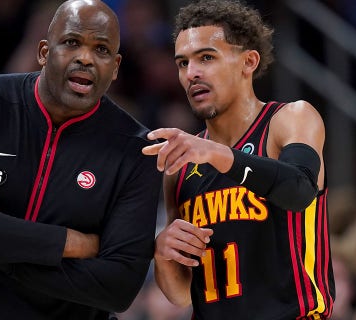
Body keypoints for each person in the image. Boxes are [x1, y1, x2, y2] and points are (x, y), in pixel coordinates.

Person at [0, 0, 162, 319]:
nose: (85, 58)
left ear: (115, 67)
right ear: (44, 52)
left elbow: (117, 287)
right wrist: (67, 243)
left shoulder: (136, 150)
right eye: (72, 42)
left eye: (102, 50)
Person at [141, 1, 334, 318]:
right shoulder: (181, 163)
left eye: (206, 57)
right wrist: (163, 252)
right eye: (182, 63)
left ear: (248, 62)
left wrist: (219, 154)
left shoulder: (289, 119)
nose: (192, 73)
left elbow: (299, 191)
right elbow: (181, 294)